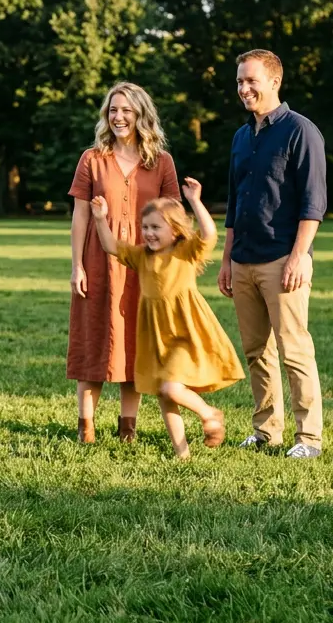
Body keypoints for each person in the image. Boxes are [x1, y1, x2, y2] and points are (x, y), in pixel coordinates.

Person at [216, 49, 327, 459]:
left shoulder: (301, 132)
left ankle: (308, 438)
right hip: (243, 259)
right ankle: (266, 431)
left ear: (274, 82)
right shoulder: (242, 137)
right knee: (256, 352)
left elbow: (313, 203)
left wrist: (299, 257)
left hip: (283, 259)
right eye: (240, 81)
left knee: (294, 349)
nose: (244, 88)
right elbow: (233, 202)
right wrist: (227, 259)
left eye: (251, 81)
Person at [90, 181, 244, 459]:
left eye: (155, 227)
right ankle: (181, 454)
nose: (148, 233)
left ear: (174, 230)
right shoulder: (141, 256)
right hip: (156, 334)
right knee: (165, 394)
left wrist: (195, 201)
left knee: (172, 387)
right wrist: (101, 218)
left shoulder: (185, 252)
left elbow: (209, 234)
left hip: (185, 330)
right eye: (145, 227)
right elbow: (111, 246)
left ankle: (210, 414)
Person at [67, 82, 180, 444]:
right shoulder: (92, 159)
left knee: (136, 343)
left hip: (143, 265)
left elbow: (173, 217)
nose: (118, 117)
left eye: (126, 111)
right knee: (95, 338)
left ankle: (127, 428)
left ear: (141, 115)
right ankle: (86, 428)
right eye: (113, 110)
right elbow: (80, 217)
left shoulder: (161, 162)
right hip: (98, 259)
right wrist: (77, 266)